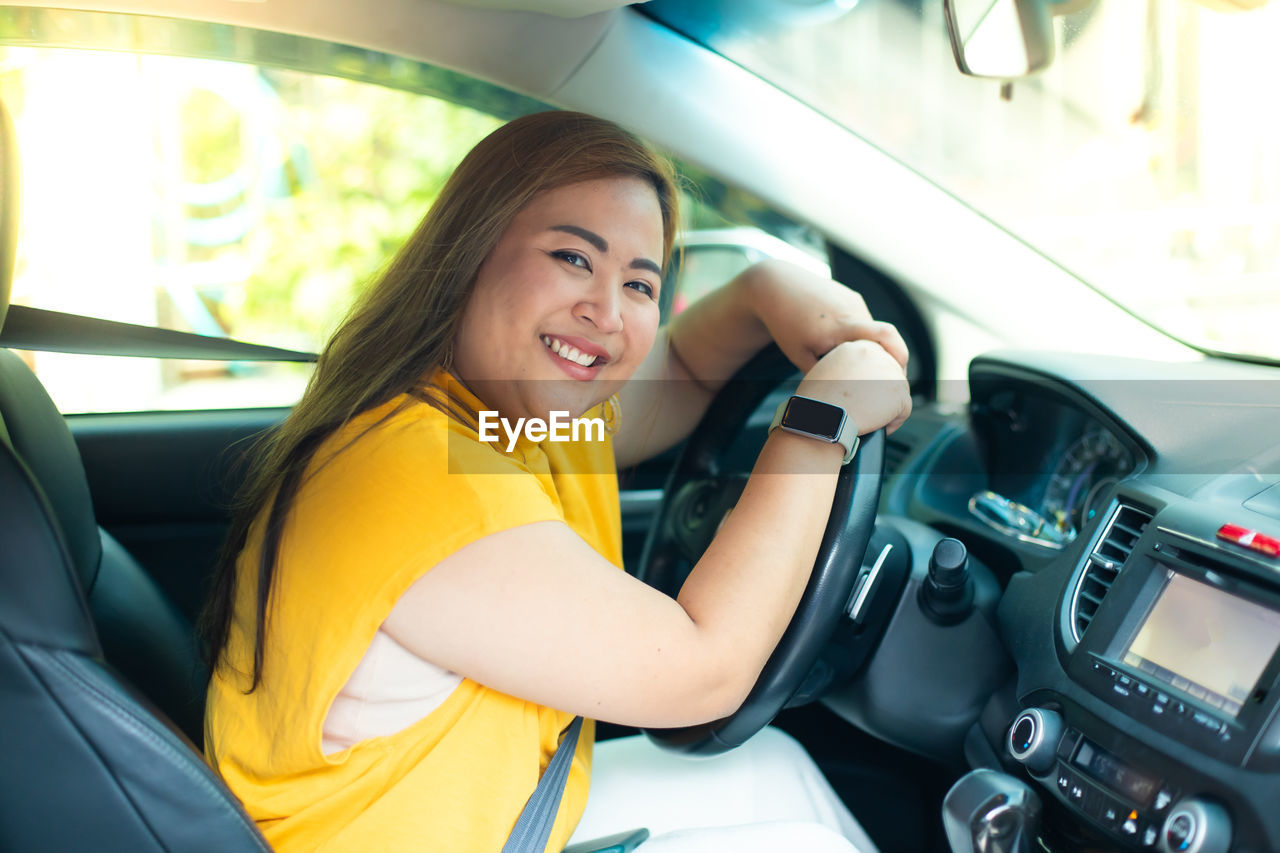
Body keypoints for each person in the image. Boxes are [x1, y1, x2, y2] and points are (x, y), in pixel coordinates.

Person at [200, 110, 912, 852]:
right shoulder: (417, 478)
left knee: (774, 770)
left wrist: (770, 287)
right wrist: (819, 422)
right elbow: (705, 670)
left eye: (640, 282)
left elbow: (689, 368)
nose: (605, 312)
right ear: (469, 254)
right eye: (574, 258)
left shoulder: (503, 420)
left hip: (476, 823)